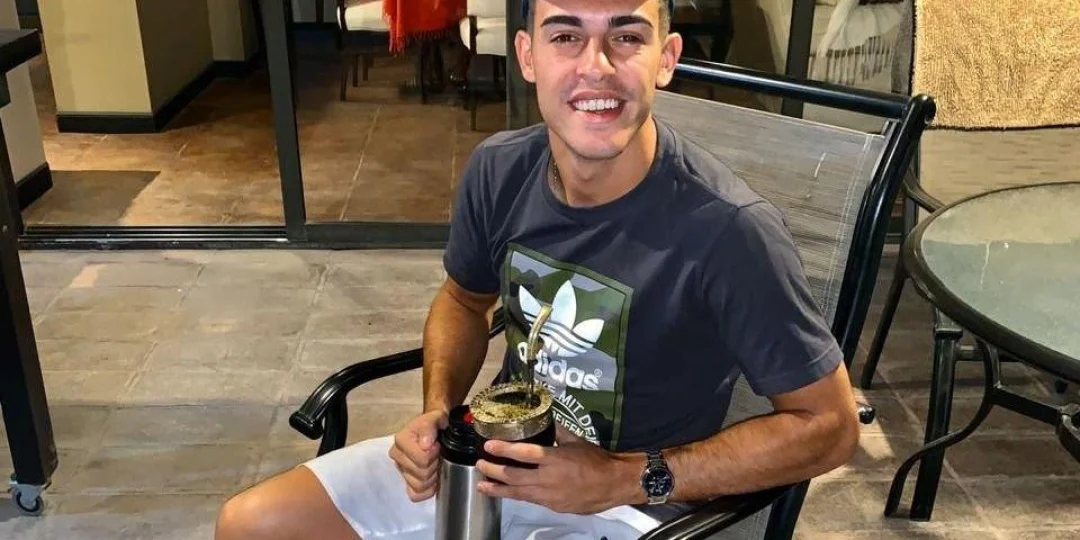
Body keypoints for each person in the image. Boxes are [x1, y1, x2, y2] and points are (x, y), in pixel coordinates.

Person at [214, 0, 861, 538]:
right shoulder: (499, 169)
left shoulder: (731, 231)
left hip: (629, 509)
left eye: (626, 36)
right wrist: (438, 410)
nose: (595, 66)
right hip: (493, 460)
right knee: (251, 525)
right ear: (527, 55)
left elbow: (829, 428)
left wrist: (624, 476)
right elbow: (463, 302)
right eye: (565, 35)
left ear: (666, 58)